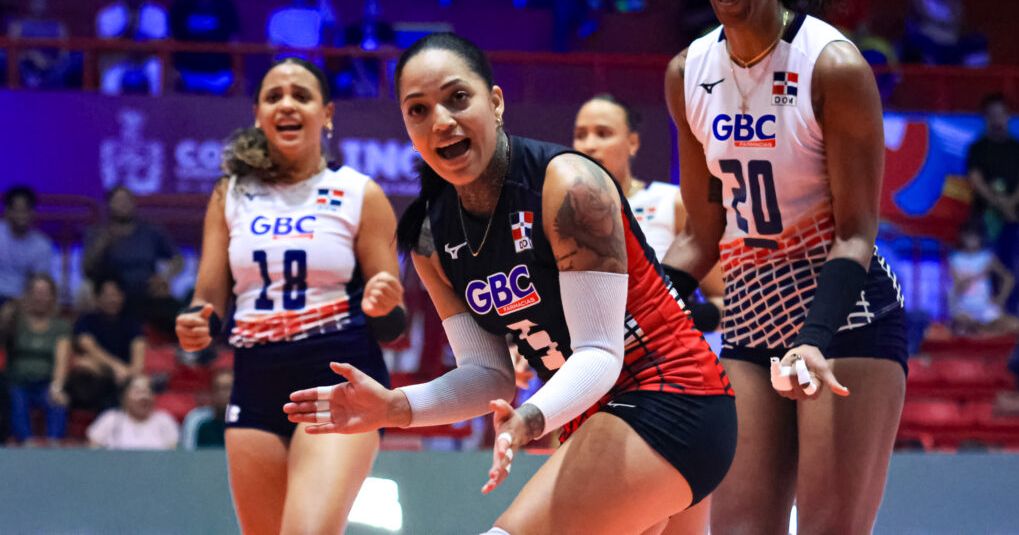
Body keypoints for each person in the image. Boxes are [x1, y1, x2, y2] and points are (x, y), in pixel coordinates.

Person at [284, 32, 736, 534]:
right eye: (418, 110)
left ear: (495, 102)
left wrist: (530, 418)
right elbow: (487, 373)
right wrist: (397, 406)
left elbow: (600, 353)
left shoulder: (569, 185)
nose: (441, 120)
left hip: (671, 395)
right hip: (592, 416)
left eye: (458, 97)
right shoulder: (429, 237)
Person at [661, 0, 907, 535]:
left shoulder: (833, 65)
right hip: (749, 312)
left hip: (843, 315)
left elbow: (856, 233)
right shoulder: (687, 72)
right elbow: (701, 236)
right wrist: (630, 319)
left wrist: (813, 338)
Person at [174, 57, 407, 534]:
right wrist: (197, 323)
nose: (287, 104)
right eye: (274, 96)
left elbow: (393, 324)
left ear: (327, 114)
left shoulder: (359, 193)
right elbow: (209, 298)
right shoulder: (230, 194)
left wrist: (384, 304)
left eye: (301, 96)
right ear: (258, 114)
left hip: (337, 380)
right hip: (254, 384)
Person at [572, 94, 724, 333]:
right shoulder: (562, 217)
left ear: (632, 143)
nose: (589, 145)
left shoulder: (671, 203)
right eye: (580, 135)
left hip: (667, 350)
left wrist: (669, 317)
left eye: (603, 133)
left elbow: (727, 302)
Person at [83, 185, 182, 325]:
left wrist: (165, 277)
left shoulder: (151, 231)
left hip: (147, 289)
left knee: (177, 311)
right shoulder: (98, 233)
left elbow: (177, 259)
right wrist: (103, 244)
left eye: (126, 200)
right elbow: (87, 269)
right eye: (118, 200)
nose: (123, 204)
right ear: (109, 205)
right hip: (112, 292)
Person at [967, 93, 1019, 318]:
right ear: (986, 117)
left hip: (1012, 219)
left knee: (1014, 264)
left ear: (1008, 116)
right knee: (987, 264)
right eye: (992, 114)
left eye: (1001, 114)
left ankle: (1011, 312)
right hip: (984, 219)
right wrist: (998, 202)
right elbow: (976, 180)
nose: (997, 119)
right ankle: (986, 313)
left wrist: (1012, 203)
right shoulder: (978, 148)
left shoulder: (1017, 148)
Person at [2, 273, 71, 445]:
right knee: (15, 397)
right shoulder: (16, 322)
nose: (40, 297)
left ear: (52, 297)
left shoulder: (60, 326)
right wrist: (6, 317)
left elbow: (62, 359)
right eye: (37, 292)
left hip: (45, 384)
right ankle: (27, 444)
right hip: (17, 382)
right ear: (28, 294)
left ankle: (54, 445)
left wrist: (57, 386)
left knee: (58, 400)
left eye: (45, 292)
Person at [68, 278, 146, 412]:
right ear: (97, 298)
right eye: (106, 295)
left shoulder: (133, 324)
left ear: (122, 297)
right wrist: (115, 367)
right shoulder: (85, 321)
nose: (111, 300)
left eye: (115, 295)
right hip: (95, 381)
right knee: (83, 367)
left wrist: (126, 372)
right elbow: (88, 346)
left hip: (124, 379)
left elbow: (138, 362)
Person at [169, 0, 240, 95]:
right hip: (187, 72)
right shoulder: (182, 6)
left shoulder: (227, 8)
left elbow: (234, 40)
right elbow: (172, 39)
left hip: (218, 74)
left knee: (231, 80)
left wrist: (235, 71)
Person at [903, 0, 988, 67]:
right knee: (914, 42)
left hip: (952, 39)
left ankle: (972, 74)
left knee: (979, 40)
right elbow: (922, 15)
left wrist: (951, 19)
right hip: (930, 38)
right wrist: (944, 22)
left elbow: (958, 19)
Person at [95, 0, 169, 95]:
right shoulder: (108, 14)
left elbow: (161, 41)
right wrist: (125, 36)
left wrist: (142, 46)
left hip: (147, 58)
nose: (134, 0)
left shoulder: (157, 13)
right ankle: (108, 107)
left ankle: (157, 105)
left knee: (155, 69)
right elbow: (105, 43)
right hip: (119, 58)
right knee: (110, 77)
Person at [947, 223, 1019, 338]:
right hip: (964, 310)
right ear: (962, 236)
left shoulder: (986, 256)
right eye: (968, 236)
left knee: (1018, 326)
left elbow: (1008, 278)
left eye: (975, 236)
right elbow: (957, 289)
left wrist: (1000, 300)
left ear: (980, 237)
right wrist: (978, 274)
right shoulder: (955, 259)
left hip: (986, 309)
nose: (971, 240)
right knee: (964, 326)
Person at [86, 373, 179, 449]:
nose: (144, 397)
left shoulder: (164, 421)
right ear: (124, 396)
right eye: (138, 392)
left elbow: (172, 457)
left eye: (148, 392)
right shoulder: (110, 419)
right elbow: (92, 454)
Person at [8, 0, 75, 89]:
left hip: (52, 69)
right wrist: (31, 56)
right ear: (30, 2)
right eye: (37, 1)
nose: (40, 6)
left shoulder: (59, 27)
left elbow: (64, 56)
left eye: (44, 2)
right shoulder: (18, 26)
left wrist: (49, 62)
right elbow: (13, 55)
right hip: (26, 70)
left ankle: (48, 84)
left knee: (75, 59)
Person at [0, 186, 55, 305]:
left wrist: (19, 302)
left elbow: (38, 281)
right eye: (16, 210)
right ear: (7, 211)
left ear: (33, 212)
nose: (21, 215)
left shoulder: (42, 244)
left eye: (25, 210)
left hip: (23, 301)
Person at [181, 368, 233, 449]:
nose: (222, 393)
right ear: (211, 394)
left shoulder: (249, 424)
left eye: (227, 388)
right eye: (217, 389)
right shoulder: (196, 420)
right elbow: (188, 453)